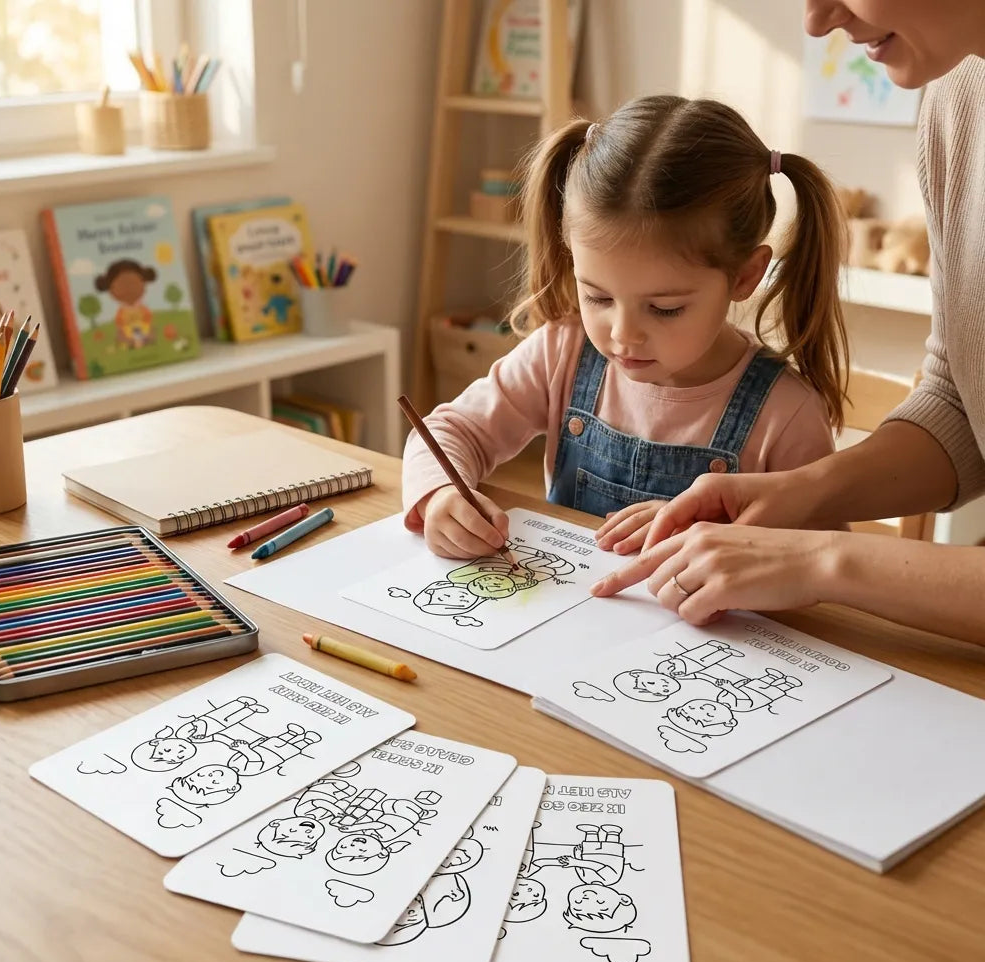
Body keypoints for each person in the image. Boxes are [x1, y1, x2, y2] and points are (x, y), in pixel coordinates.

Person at [591, 2, 985, 647]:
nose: (817, 20)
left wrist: (825, 562)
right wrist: (803, 492)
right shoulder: (958, 96)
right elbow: (964, 401)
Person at [402, 92, 851, 559]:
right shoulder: (562, 352)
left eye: (664, 308)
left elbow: (822, 559)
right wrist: (440, 495)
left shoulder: (786, 414)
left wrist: (720, 538)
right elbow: (452, 431)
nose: (622, 334)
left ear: (744, 276)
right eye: (598, 297)